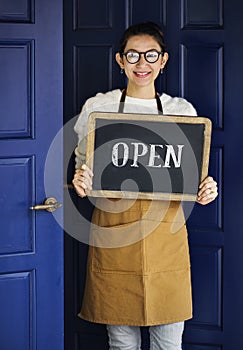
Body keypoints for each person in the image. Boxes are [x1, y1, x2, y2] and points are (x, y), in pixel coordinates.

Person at [72, 22, 218, 350]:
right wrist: (80, 182)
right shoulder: (99, 107)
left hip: (166, 239)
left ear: (163, 60)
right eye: (133, 55)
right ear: (120, 60)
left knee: (168, 343)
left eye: (151, 55)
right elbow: (84, 170)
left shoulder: (183, 112)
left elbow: (193, 180)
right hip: (114, 239)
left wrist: (206, 190)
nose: (142, 63)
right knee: (121, 343)